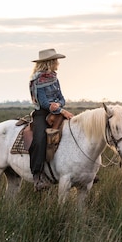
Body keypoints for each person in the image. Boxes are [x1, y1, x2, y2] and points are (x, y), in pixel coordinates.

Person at [29, 48, 74, 191]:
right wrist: (60, 110)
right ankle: (37, 176)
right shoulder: (37, 80)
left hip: (57, 112)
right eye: (56, 61)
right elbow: (43, 103)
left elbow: (62, 98)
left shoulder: (54, 78)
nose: (58, 64)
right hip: (42, 114)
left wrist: (59, 105)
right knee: (40, 139)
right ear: (50, 62)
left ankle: (81, 171)